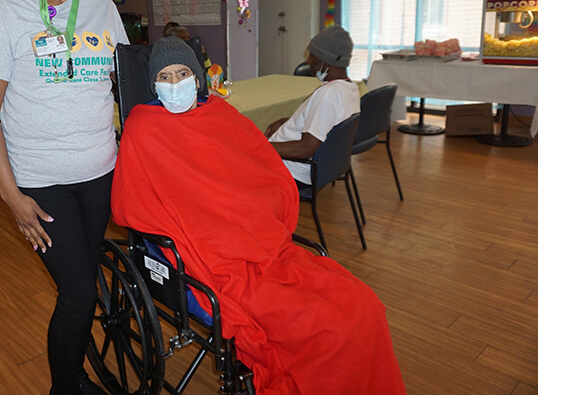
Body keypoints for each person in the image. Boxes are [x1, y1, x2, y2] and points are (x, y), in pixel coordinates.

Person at [111, 37, 405, 395]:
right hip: (209, 253)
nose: (175, 85)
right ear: (153, 84)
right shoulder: (144, 126)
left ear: (198, 78)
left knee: (364, 307)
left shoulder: (219, 113)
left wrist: (254, 215)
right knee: (327, 330)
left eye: (183, 73)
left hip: (260, 242)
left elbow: (260, 167)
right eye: (166, 77)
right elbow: (134, 203)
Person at [0, 0, 128, 395]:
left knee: (86, 283)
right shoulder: (3, 12)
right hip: (41, 180)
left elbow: (121, 90)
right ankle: (67, 387)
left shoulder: (104, 10)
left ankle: (77, 375)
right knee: (79, 294)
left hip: (101, 173)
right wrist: (12, 198)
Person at [266, 26, 360, 187]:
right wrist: (288, 123)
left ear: (327, 61)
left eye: (313, 56)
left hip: (290, 168)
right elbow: (325, 124)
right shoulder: (349, 88)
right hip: (313, 166)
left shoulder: (328, 95)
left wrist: (262, 146)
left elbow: (305, 149)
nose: (308, 61)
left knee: (232, 163)